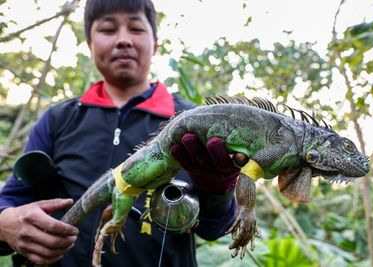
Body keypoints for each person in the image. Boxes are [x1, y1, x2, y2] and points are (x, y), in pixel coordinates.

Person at [0, 0, 240, 266]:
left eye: (136, 29)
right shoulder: (58, 119)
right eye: (108, 29)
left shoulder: (193, 122)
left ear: (155, 43)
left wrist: (220, 189)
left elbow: (215, 227)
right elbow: (11, 199)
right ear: (90, 44)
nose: (124, 40)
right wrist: (4, 223)